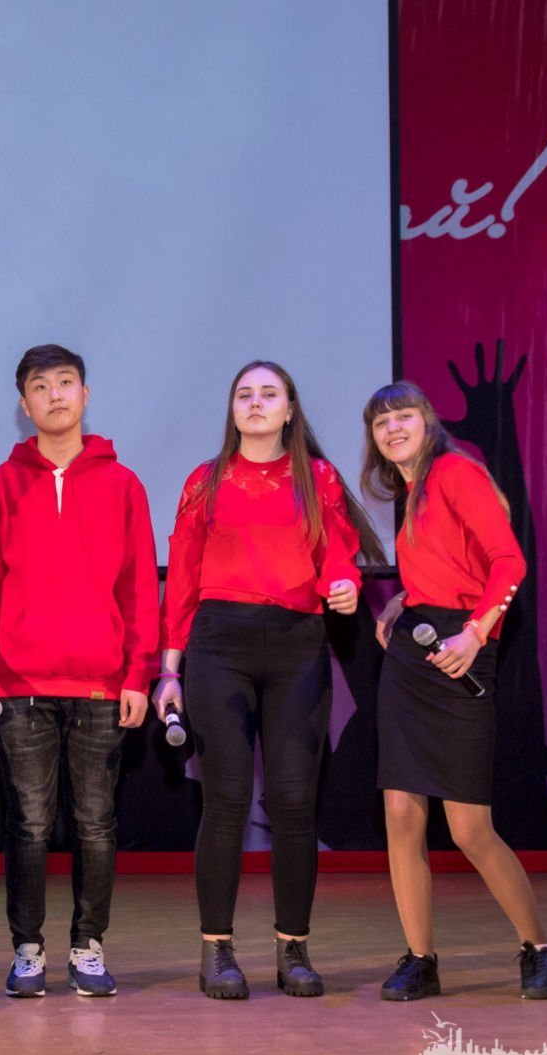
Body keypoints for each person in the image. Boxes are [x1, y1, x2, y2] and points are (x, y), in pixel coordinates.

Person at [154, 361, 384, 999]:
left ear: (289, 410)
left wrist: (345, 585)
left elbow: (338, 555)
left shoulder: (319, 478)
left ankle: (294, 949)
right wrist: (168, 670)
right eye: (244, 394)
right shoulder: (204, 480)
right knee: (225, 799)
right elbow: (184, 576)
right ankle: (217, 950)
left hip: (297, 646)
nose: (255, 403)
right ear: (232, 409)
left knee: (292, 801)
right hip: (218, 644)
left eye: (268, 394)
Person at [0, 344, 158, 998]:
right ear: (25, 405)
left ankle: (88, 945)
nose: (55, 395)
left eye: (66, 382)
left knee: (96, 824)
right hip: (18, 687)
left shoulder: (124, 485)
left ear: (85, 394)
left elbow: (139, 588)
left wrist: (138, 675)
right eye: (40, 386)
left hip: (101, 684)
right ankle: (28, 947)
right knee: (30, 824)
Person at [362, 382, 547, 1001]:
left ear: (427, 421)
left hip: (463, 650)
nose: (393, 429)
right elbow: (446, 565)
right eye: (380, 423)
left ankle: (539, 947)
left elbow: (509, 562)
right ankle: (420, 959)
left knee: (470, 827)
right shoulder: (414, 489)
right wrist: (400, 598)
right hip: (413, 654)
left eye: (403, 416)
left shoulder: (455, 472)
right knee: (401, 813)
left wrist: (476, 633)